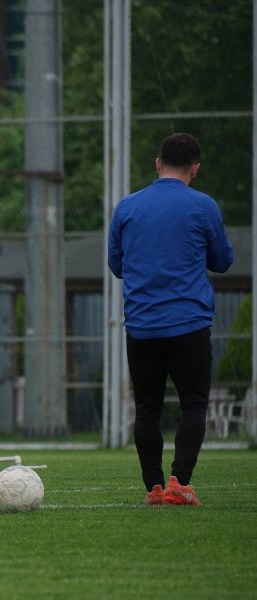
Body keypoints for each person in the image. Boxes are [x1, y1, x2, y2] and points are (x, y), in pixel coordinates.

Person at [108, 132, 233, 506]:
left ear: (158, 163)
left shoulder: (127, 206)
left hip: (142, 326)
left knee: (147, 408)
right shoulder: (203, 205)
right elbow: (223, 261)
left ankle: (154, 487)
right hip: (189, 324)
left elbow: (117, 265)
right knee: (194, 405)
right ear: (195, 169)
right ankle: (180, 481)